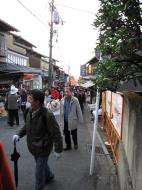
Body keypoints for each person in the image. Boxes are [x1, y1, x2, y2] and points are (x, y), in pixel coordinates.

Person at [12, 89, 63, 190]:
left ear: (37, 102)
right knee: (42, 166)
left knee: (38, 174)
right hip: (33, 147)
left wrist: (58, 150)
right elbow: (27, 126)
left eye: (30, 99)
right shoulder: (29, 111)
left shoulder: (47, 115)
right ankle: (49, 176)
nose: (28, 100)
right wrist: (18, 134)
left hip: (43, 149)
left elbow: (56, 133)